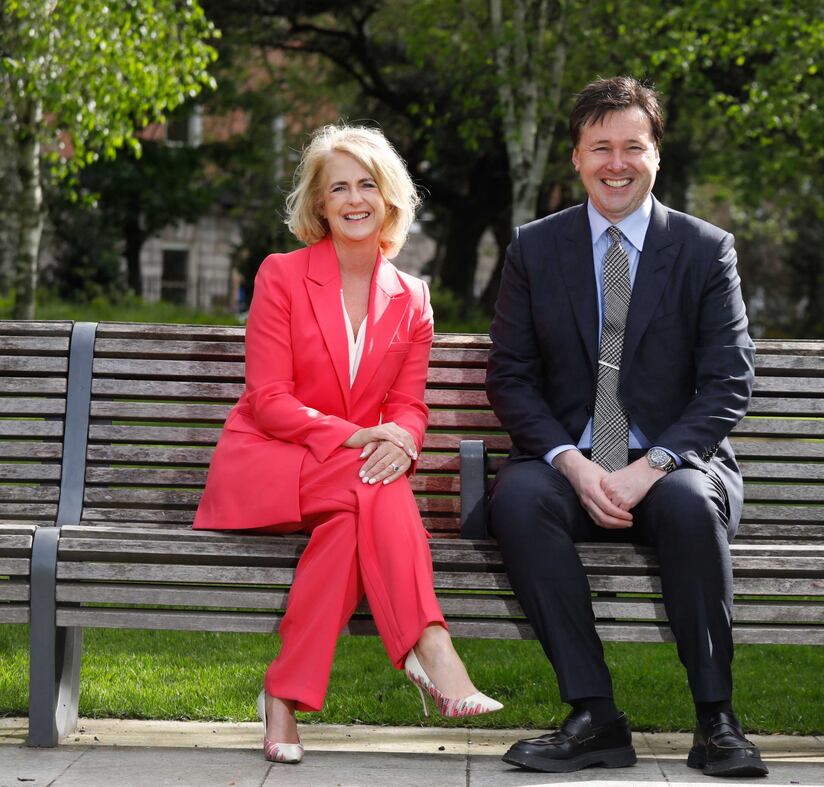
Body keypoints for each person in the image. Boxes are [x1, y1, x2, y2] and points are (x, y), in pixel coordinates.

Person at [485, 77, 767, 778]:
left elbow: (729, 379)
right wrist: (573, 464)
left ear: (656, 154)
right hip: (570, 466)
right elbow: (511, 376)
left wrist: (654, 464)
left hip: (671, 467)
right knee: (517, 500)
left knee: (691, 504)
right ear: (576, 158)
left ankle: (717, 720)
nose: (617, 163)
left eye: (632, 146)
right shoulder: (535, 249)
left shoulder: (705, 251)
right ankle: (594, 716)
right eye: (600, 147)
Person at [194, 124, 501, 765]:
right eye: (339, 188)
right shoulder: (282, 276)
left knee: (347, 528)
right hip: (269, 463)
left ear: (389, 198)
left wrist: (406, 441)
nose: (355, 199)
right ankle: (430, 646)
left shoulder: (412, 298)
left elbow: (411, 406)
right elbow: (267, 400)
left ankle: (283, 698)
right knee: (375, 481)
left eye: (367, 185)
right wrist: (364, 439)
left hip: (345, 484)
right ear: (320, 203)